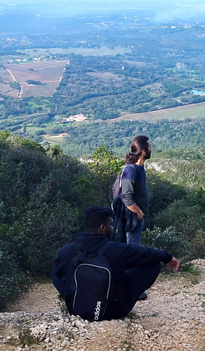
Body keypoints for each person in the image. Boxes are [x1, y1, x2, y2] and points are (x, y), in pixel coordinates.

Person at [51, 205, 179, 321]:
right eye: (110, 224)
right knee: (153, 264)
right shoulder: (116, 250)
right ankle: (127, 302)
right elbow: (147, 254)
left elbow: (55, 275)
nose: (112, 228)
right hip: (112, 312)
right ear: (102, 228)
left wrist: (67, 294)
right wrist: (167, 257)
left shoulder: (66, 251)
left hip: (76, 309)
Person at [120, 135, 151, 247]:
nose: (151, 149)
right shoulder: (131, 169)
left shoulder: (139, 168)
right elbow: (126, 196)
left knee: (135, 249)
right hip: (132, 219)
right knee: (133, 251)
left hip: (137, 217)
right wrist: (138, 212)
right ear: (143, 151)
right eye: (149, 146)